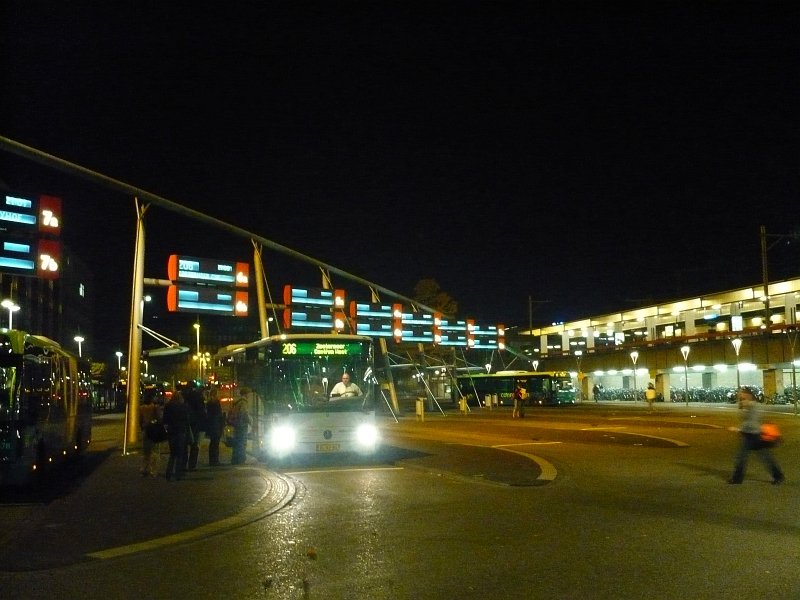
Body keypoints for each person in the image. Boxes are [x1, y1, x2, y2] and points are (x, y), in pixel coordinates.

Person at [727, 386, 784, 485]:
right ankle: (737, 479)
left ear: (749, 396)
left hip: (754, 436)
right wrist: (743, 408)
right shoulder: (747, 406)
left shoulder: (754, 407)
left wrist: (739, 429)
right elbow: (746, 420)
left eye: (743, 397)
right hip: (749, 436)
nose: (741, 399)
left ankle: (778, 476)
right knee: (749, 457)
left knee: (751, 457)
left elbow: (753, 423)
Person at [163, 390, 190, 481]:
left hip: (171, 431)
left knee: (173, 453)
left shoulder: (168, 406)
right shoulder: (182, 406)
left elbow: (165, 420)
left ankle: (168, 473)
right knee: (180, 453)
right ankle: (178, 473)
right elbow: (186, 419)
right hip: (180, 431)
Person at [182, 383, 206, 472]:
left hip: (185, 423)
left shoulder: (184, 396)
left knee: (184, 445)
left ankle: (183, 465)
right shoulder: (198, 397)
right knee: (194, 445)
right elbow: (201, 412)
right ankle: (192, 465)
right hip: (196, 423)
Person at [138, 390, 162, 477]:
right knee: (155, 450)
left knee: (146, 451)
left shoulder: (141, 408)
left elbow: (140, 420)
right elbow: (159, 418)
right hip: (154, 429)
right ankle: (154, 470)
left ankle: (144, 469)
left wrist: (142, 427)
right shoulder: (155, 407)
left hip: (145, 429)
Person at [228, 387, 252, 465]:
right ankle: (241, 459)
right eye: (248, 394)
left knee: (237, 442)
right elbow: (244, 413)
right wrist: (250, 421)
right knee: (242, 442)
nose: (249, 395)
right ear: (245, 394)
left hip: (237, 424)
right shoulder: (244, 402)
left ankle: (235, 460)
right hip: (242, 425)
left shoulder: (237, 401)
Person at [205, 386, 224, 466]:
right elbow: (218, 414)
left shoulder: (209, 403)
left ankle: (212, 460)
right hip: (216, 424)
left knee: (213, 443)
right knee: (215, 443)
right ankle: (215, 460)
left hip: (211, 425)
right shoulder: (216, 402)